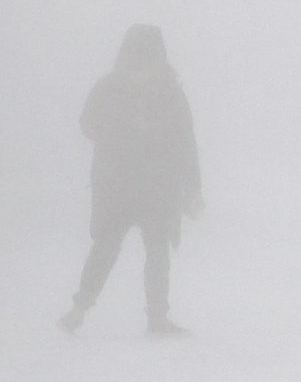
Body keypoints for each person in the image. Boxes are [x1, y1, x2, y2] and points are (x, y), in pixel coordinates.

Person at [61, 24, 203, 335]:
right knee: (109, 248)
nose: (141, 65)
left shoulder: (168, 93)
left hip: (152, 186)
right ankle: (80, 307)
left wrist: (193, 186)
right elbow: (88, 124)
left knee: (154, 251)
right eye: (137, 57)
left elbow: (185, 142)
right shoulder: (113, 88)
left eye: (148, 58)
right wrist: (116, 131)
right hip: (121, 185)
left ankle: (154, 317)